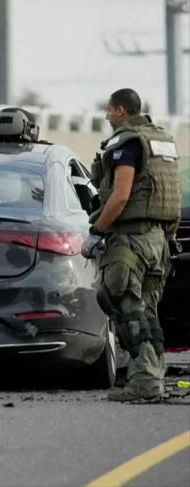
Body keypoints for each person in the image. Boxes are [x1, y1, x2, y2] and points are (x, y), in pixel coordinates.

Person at [82, 88, 181, 402]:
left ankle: (144, 384)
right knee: (147, 312)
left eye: (110, 110)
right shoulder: (161, 140)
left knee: (125, 307)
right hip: (158, 239)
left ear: (121, 111)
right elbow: (171, 196)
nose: (108, 116)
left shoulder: (127, 142)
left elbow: (121, 194)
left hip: (131, 240)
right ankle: (153, 376)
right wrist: (168, 237)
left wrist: (98, 229)